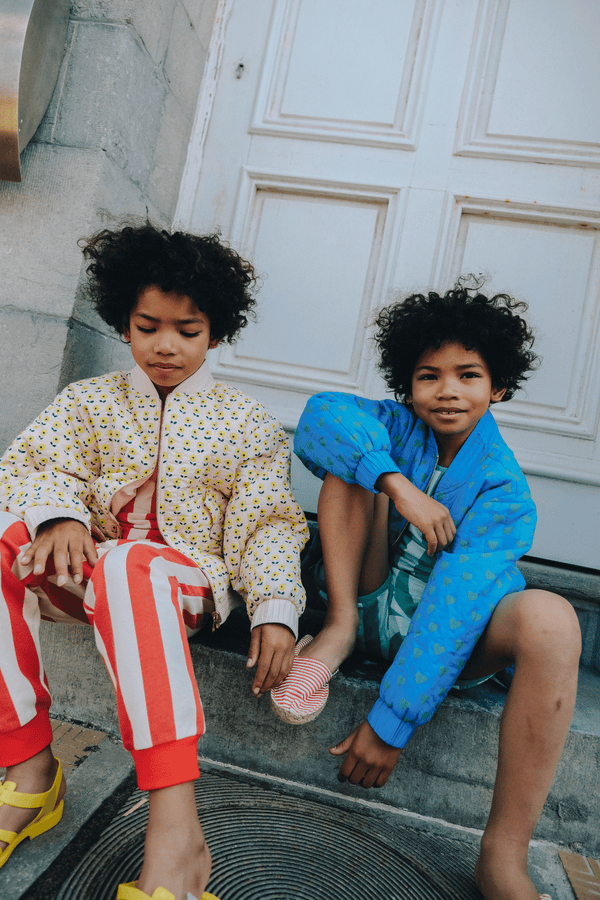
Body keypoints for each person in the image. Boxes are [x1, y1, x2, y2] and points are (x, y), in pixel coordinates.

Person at [0, 223, 308, 900]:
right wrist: (59, 517)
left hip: (182, 587)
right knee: (7, 539)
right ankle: (26, 770)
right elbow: (29, 466)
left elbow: (268, 525)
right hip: (92, 575)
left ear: (216, 333)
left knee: (128, 564)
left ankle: (177, 841)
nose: (165, 345)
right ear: (124, 322)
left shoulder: (246, 422)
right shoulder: (89, 401)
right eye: (147, 326)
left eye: (188, 330)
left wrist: (277, 610)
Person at [274, 284, 580, 900]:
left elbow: (457, 605)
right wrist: (396, 483)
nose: (446, 390)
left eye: (468, 375)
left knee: (552, 619)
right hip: (366, 597)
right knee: (352, 459)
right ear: (407, 386)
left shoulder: (504, 492)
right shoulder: (392, 423)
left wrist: (393, 720)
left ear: (497, 387)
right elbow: (319, 417)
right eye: (428, 376)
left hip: (448, 638)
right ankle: (335, 630)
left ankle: (501, 856)